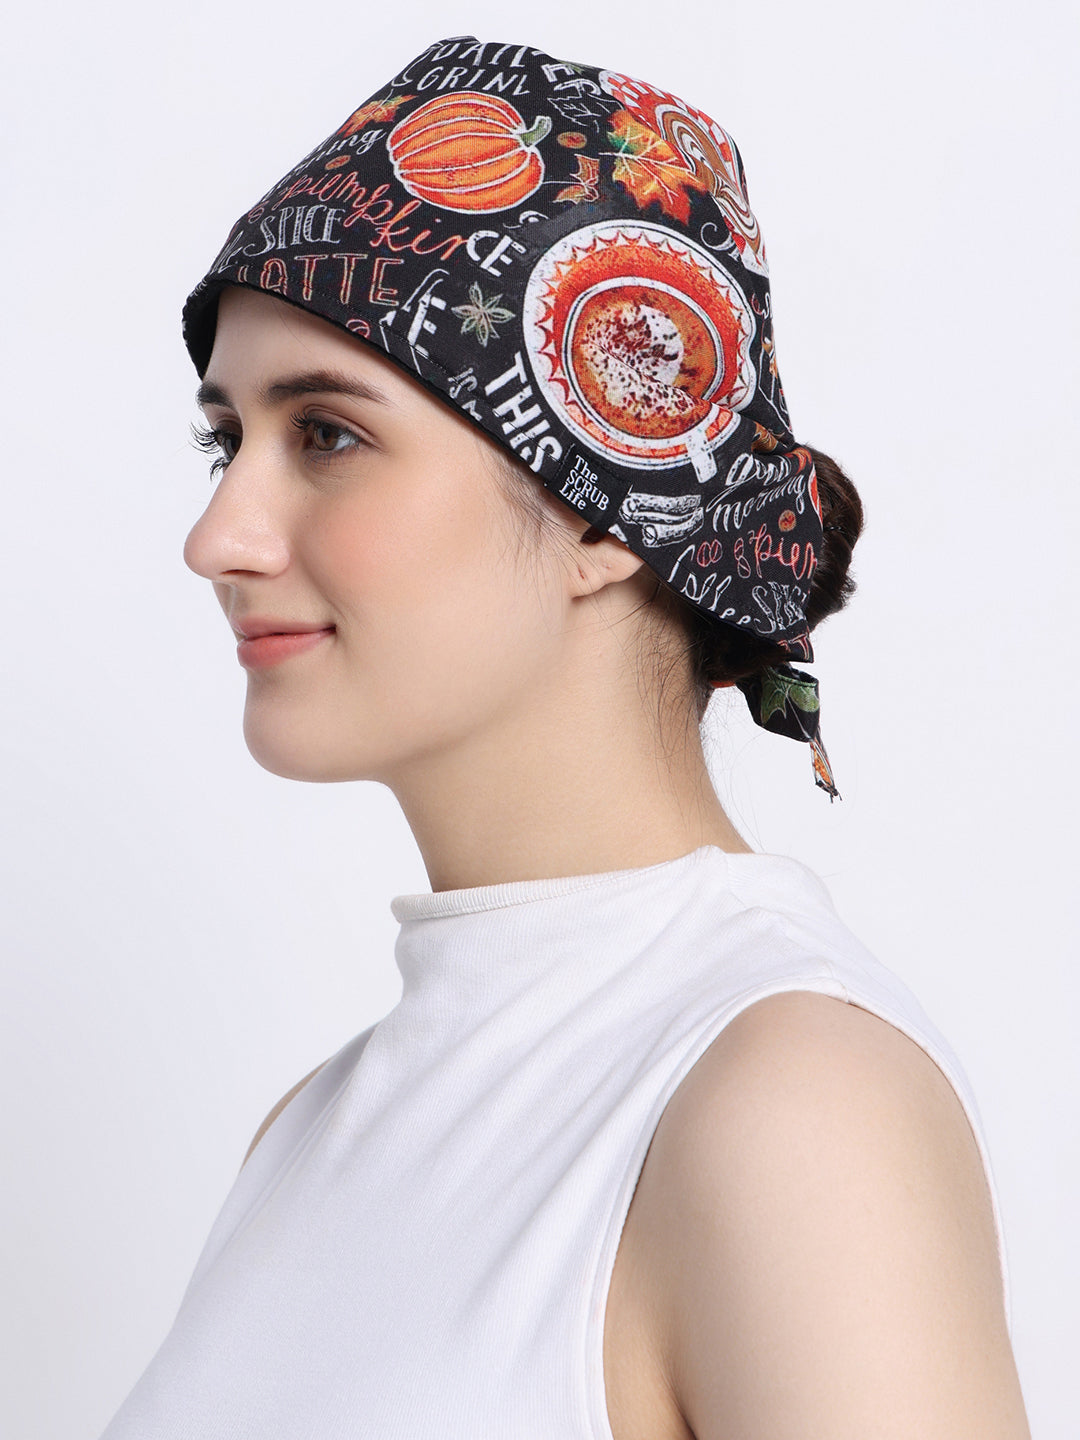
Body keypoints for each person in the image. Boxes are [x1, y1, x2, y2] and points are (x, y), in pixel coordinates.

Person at [100, 35, 1031, 1439]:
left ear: (609, 509)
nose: (217, 536)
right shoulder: (306, 1132)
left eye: (328, 435)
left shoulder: (790, 1108)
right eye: (225, 440)